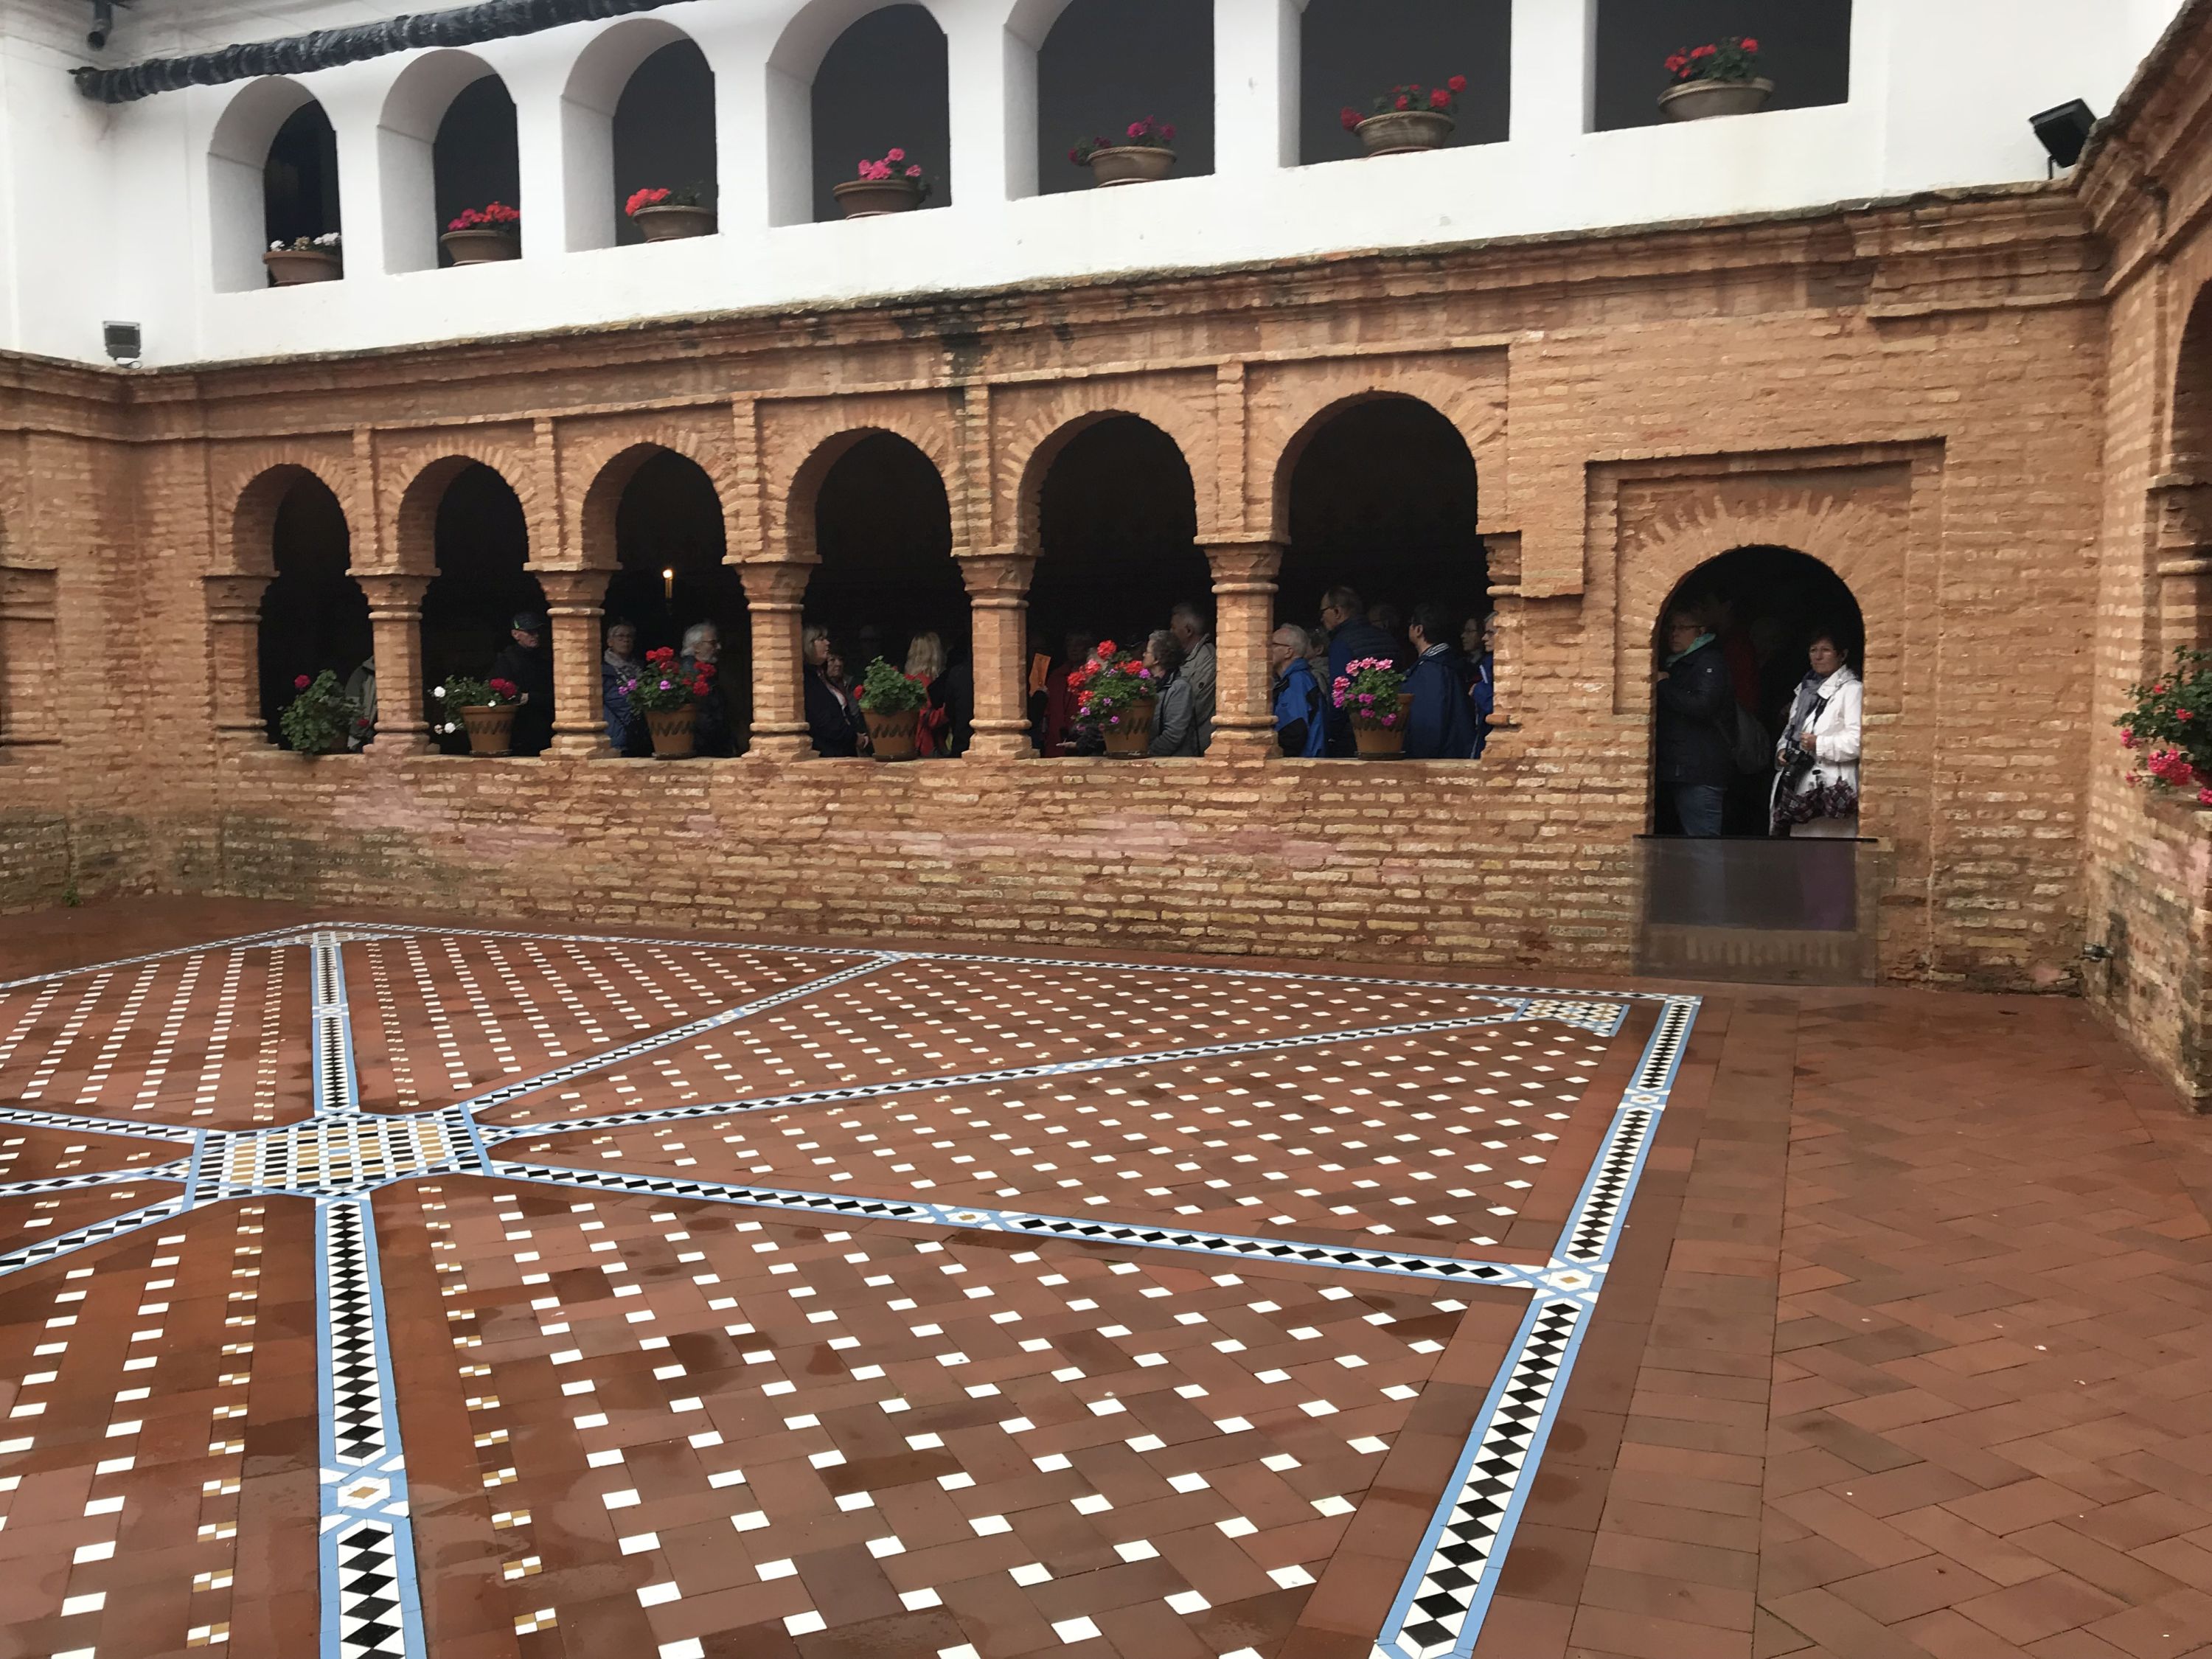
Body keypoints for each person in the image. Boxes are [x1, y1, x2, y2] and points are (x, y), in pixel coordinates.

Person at [1770, 631, 1863, 839]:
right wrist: (1783, 750)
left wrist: (1819, 744)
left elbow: (1857, 742)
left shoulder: (1852, 690)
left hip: (1831, 789)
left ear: (1842, 655)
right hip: (1798, 786)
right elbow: (1790, 731)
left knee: (1831, 850)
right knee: (1802, 851)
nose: (1818, 656)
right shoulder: (1804, 691)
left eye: (1826, 650)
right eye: (1814, 650)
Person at [1653, 606, 1734, 837]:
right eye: (1671, 628)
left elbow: (1703, 705)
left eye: (1682, 628)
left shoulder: (1709, 661)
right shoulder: (1679, 662)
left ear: (1700, 631)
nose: (1674, 633)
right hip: (1683, 768)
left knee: (1702, 844)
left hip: (1699, 770)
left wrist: (1664, 685)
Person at [1318, 586, 1394, 757]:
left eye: (1324, 611)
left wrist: (1331, 735)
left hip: (1355, 734)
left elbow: (1340, 696)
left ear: (1337, 611)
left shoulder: (1341, 644)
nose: (1322, 618)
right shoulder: (1387, 638)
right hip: (1392, 729)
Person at [1405, 603, 1478, 760]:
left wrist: (1420, 761)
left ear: (1419, 630)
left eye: (1411, 624)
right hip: (1456, 753)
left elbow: (1429, 724)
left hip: (1439, 759)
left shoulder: (1432, 669)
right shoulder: (1448, 662)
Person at [491, 609, 554, 755]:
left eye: (537, 632)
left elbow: (555, 694)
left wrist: (531, 698)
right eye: (530, 632)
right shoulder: (506, 661)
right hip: (520, 729)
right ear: (515, 634)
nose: (536, 635)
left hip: (545, 726)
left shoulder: (543, 660)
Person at [804, 624, 863, 757]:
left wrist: (856, 734)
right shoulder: (807, 679)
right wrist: (854, 737)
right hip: (828, 752)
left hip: (843, 749)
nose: (827, 643)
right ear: (809, 644)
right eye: (821, 639)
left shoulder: (821, 675)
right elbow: (824, 721)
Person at [1270, 623, 1326, 757]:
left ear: (1288, 652)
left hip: (1302, 763)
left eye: (1272, 644)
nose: (1267, 650)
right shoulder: (1294, 679)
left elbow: (1294, 730)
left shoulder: (1297, 681)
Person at [681, 621, 734, 757]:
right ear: (697, 647)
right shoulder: (691, 674)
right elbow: (701, 714)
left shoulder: (703, 671)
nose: (719, 647)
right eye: (713, 643)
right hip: (704, 747)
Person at [1170, 601, 1216, 754]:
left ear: (1188, 631)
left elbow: (1191, 710)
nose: (1170, 633)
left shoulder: (1207, 661)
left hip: (1197, 749)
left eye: (1173, 628)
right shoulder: (1186, 658)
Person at [1147, 630, 1200, 757]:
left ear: (1157, 659)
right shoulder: (1148, 685)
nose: (1143, 654)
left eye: (1147, 652)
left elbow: (1173, 735)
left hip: (1172, 762)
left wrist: (1147, 754)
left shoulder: (1179, 688)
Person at [905, 630, 952, 758]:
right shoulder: (924, 682)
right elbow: (929, 718)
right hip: (926, 745)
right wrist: (950, 707)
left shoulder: (909, 679)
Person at [602, 619, 645, 755]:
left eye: (629, 636)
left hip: (638, 730)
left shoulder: (640, 667)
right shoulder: (603, 670)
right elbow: (610, 702)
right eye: (620, 636)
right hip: (617, 733)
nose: (626, 640)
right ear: (610, 642)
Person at [1462, 612, 1496, 759]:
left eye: (1490, 633)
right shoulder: (1487, 664)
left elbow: (1496, 707)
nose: (1484, 638)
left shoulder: (1498, 667)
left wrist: (1478, 690)